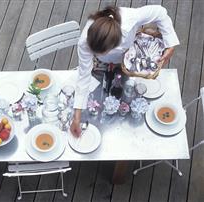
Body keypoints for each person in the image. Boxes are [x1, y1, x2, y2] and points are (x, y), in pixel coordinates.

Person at [70, 5, 179, 136]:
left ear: (114, 44)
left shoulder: (130, 18)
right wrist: (76, 117)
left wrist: (170, 43)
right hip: (103, 64)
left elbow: (161, 12)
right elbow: (84, 76)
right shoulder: (84, 42)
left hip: (130, 58)